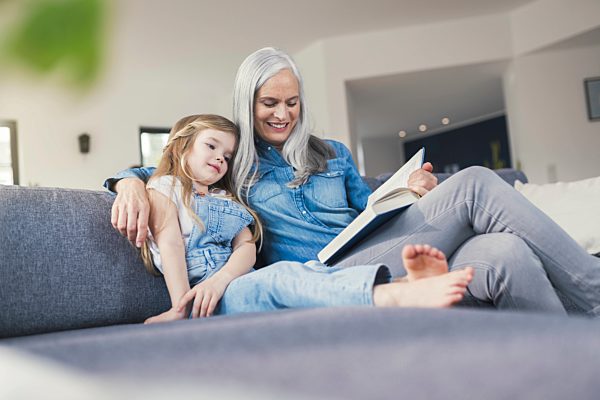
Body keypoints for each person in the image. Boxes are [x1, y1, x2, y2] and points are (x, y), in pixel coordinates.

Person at [107, 47, 600, 316]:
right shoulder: (235, 167)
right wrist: (127, 181)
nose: (283, 114)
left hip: (381, 246)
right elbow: (175, 170)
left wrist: (415, 194)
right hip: (329, 271)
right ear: (247, 105)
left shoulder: (334, 154)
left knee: (503, 254)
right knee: (473, 182)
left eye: (292, 102)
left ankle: (572, 358)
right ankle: (594, 295)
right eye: (269, 103)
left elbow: (375, 210)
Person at [132, 113, 474, 322]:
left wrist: (221, 280)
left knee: (306, 272)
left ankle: (404, 284)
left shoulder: (227, 197)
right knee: (281, 278)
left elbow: (246, 248)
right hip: (204, 301)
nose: (221, 159)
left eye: (227, 155)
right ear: (181, 146)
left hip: (231, 283)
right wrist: (180, 308)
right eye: (211, 146)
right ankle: (398, 298)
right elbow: (172, 244)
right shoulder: (164, 187)